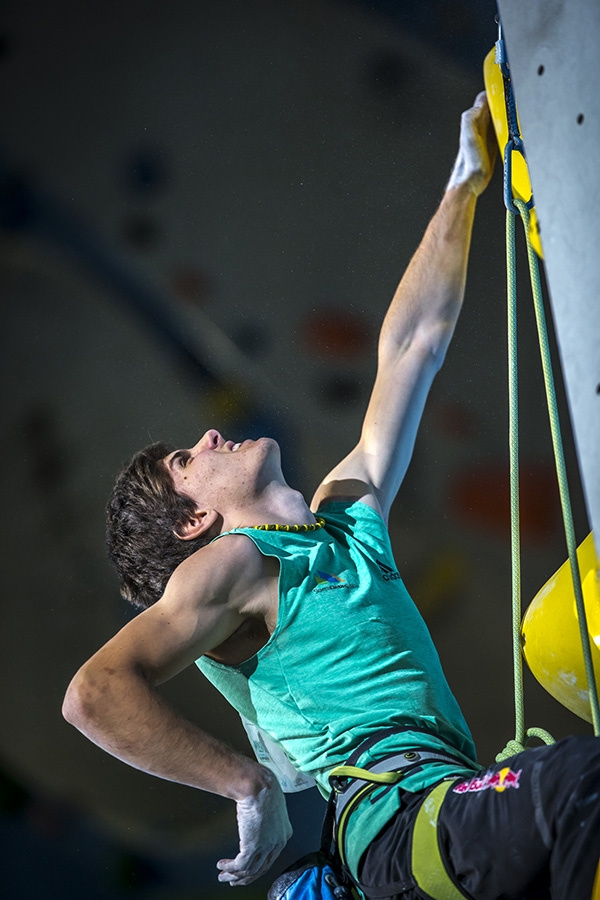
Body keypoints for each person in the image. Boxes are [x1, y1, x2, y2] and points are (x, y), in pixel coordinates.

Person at [63, 93, 600, 900]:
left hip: (442, 813)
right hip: (398, 826)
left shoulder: (346, 519)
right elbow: (94, 694)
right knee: (578, 784)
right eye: (187, 459)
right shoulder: (234, 568)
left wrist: (466, 180)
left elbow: (412, 345)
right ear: (195, 519)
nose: (210, 438)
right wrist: (246, 786)